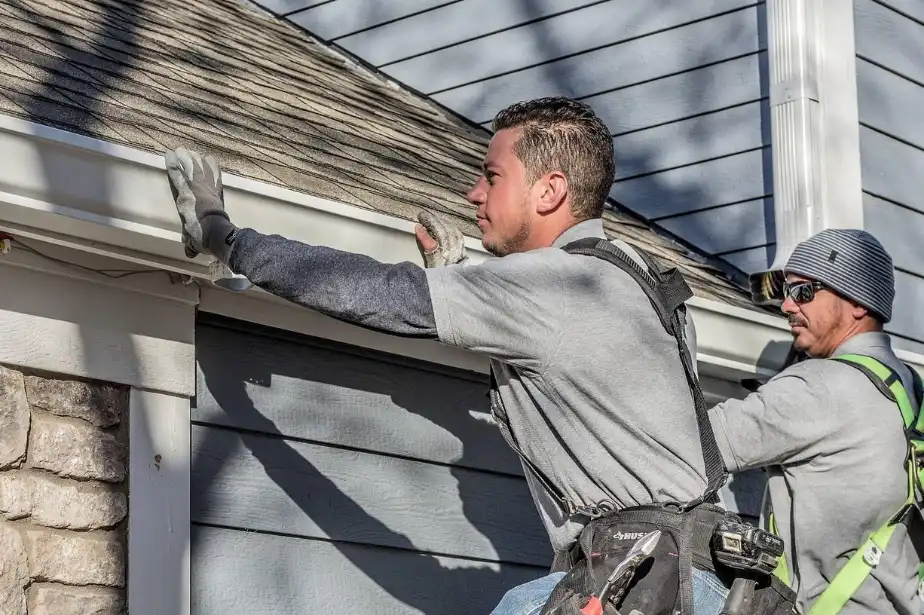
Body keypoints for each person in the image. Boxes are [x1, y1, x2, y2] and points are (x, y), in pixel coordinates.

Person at [165, 97, 739, 615]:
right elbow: (578, 371)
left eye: (492, 177)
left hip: (642, 579)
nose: (474, 193)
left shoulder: (556, 285)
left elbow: (379, 294)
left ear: (550, 191)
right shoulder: (636, 280)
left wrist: (228, 238)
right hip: (700, 580)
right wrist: (461, 283)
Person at [708, 229, 924, 614]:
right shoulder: (911, 389)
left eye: (804, 291)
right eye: (786, 291)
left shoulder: (821, 386)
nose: (787, 306)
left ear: (857, 303)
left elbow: (687, 442)